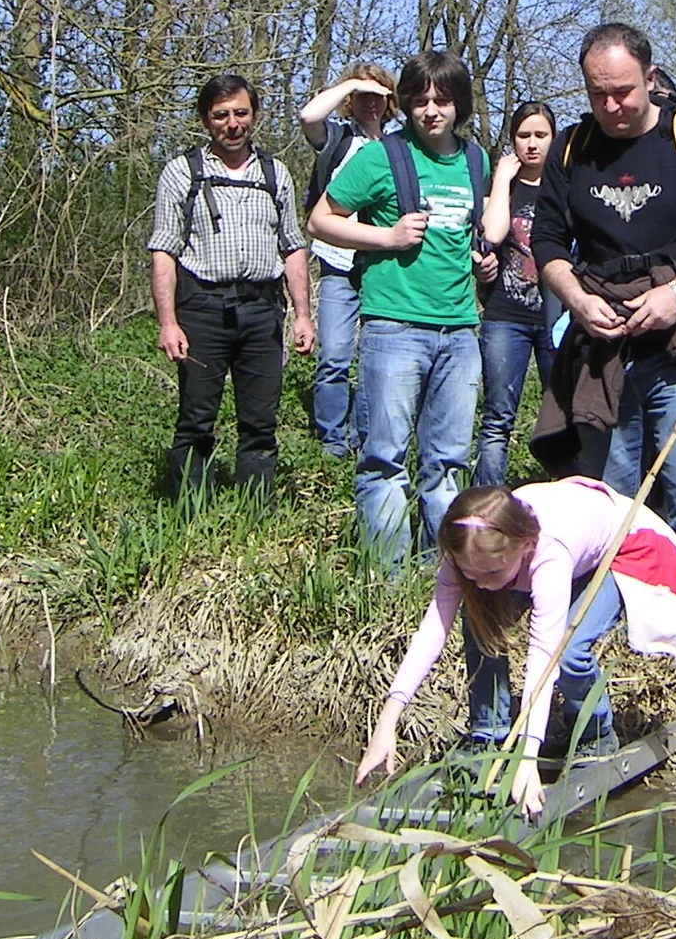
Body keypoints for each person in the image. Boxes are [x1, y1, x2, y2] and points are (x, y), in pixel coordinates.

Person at [530, 22, 676, 662]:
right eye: (598, 93)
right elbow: (546, 242)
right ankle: (605, 627)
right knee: (609, 495)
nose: (611, 106)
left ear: (650, 79)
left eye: (623, 92)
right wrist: (576, 299)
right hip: (602, 349)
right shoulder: (572, 150)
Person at [356, 479, 676, 815]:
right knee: (479, 622)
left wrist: (527, 757)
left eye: (490, 572)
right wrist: (388, 722)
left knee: (570, 650)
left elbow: (544, 656)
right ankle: (488, 733)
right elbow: (433, 629)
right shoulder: (467, 547)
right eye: (469, 573)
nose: (479, 582)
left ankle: (594, 732)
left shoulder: (548, 551)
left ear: (522, 547)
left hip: (618, 547)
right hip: (555, 548)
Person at [309, 52, 494, 569]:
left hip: (460, 331)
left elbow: (466, 236)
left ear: (460, 104)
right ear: (405, 105)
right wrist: (385, 237)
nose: (430, 111)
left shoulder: (475, 160)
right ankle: (389, 579)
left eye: (442, 100)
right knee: (384, 460)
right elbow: (321, 220)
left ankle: (443, 577)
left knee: (448, 463)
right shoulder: (381, 157)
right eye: (419, 101)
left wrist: (483, 267)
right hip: (394, 327)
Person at [149, 74, 316, 501]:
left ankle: (253, 516)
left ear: (253, 115)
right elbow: (164, 251)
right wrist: (168, 323)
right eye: (221, 115)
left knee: (260, 422)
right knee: (196, 418)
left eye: (241, 113)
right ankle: (191, 515)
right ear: (207, 120)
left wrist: (302, 315)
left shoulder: (274, 174)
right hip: (202, 308)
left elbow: (293, 246)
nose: (232, 123)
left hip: (261, 311)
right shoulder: (182, 173)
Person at [298, 64, 399, 457]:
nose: (371, 104)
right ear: (350, 100)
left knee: (375, 358)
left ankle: (367, 438)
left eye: (380, 96)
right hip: (338, 260)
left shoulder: (398, 147)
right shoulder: (337, 139)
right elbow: (309, 116)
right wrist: (353, 83)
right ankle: (332, 442)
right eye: (363, 96)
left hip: (381, 263)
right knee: (335, 356)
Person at [473, 102, 559, 490]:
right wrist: (503, 181)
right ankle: (489, 499)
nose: (532, 144)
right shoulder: (503, 188)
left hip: (557, 319)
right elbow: (491, 236)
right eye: (524, 136)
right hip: (505, 316)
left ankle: (566, 492)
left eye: (541, 135)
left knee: (564, 412)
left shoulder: (565, 187)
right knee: (497, 417)